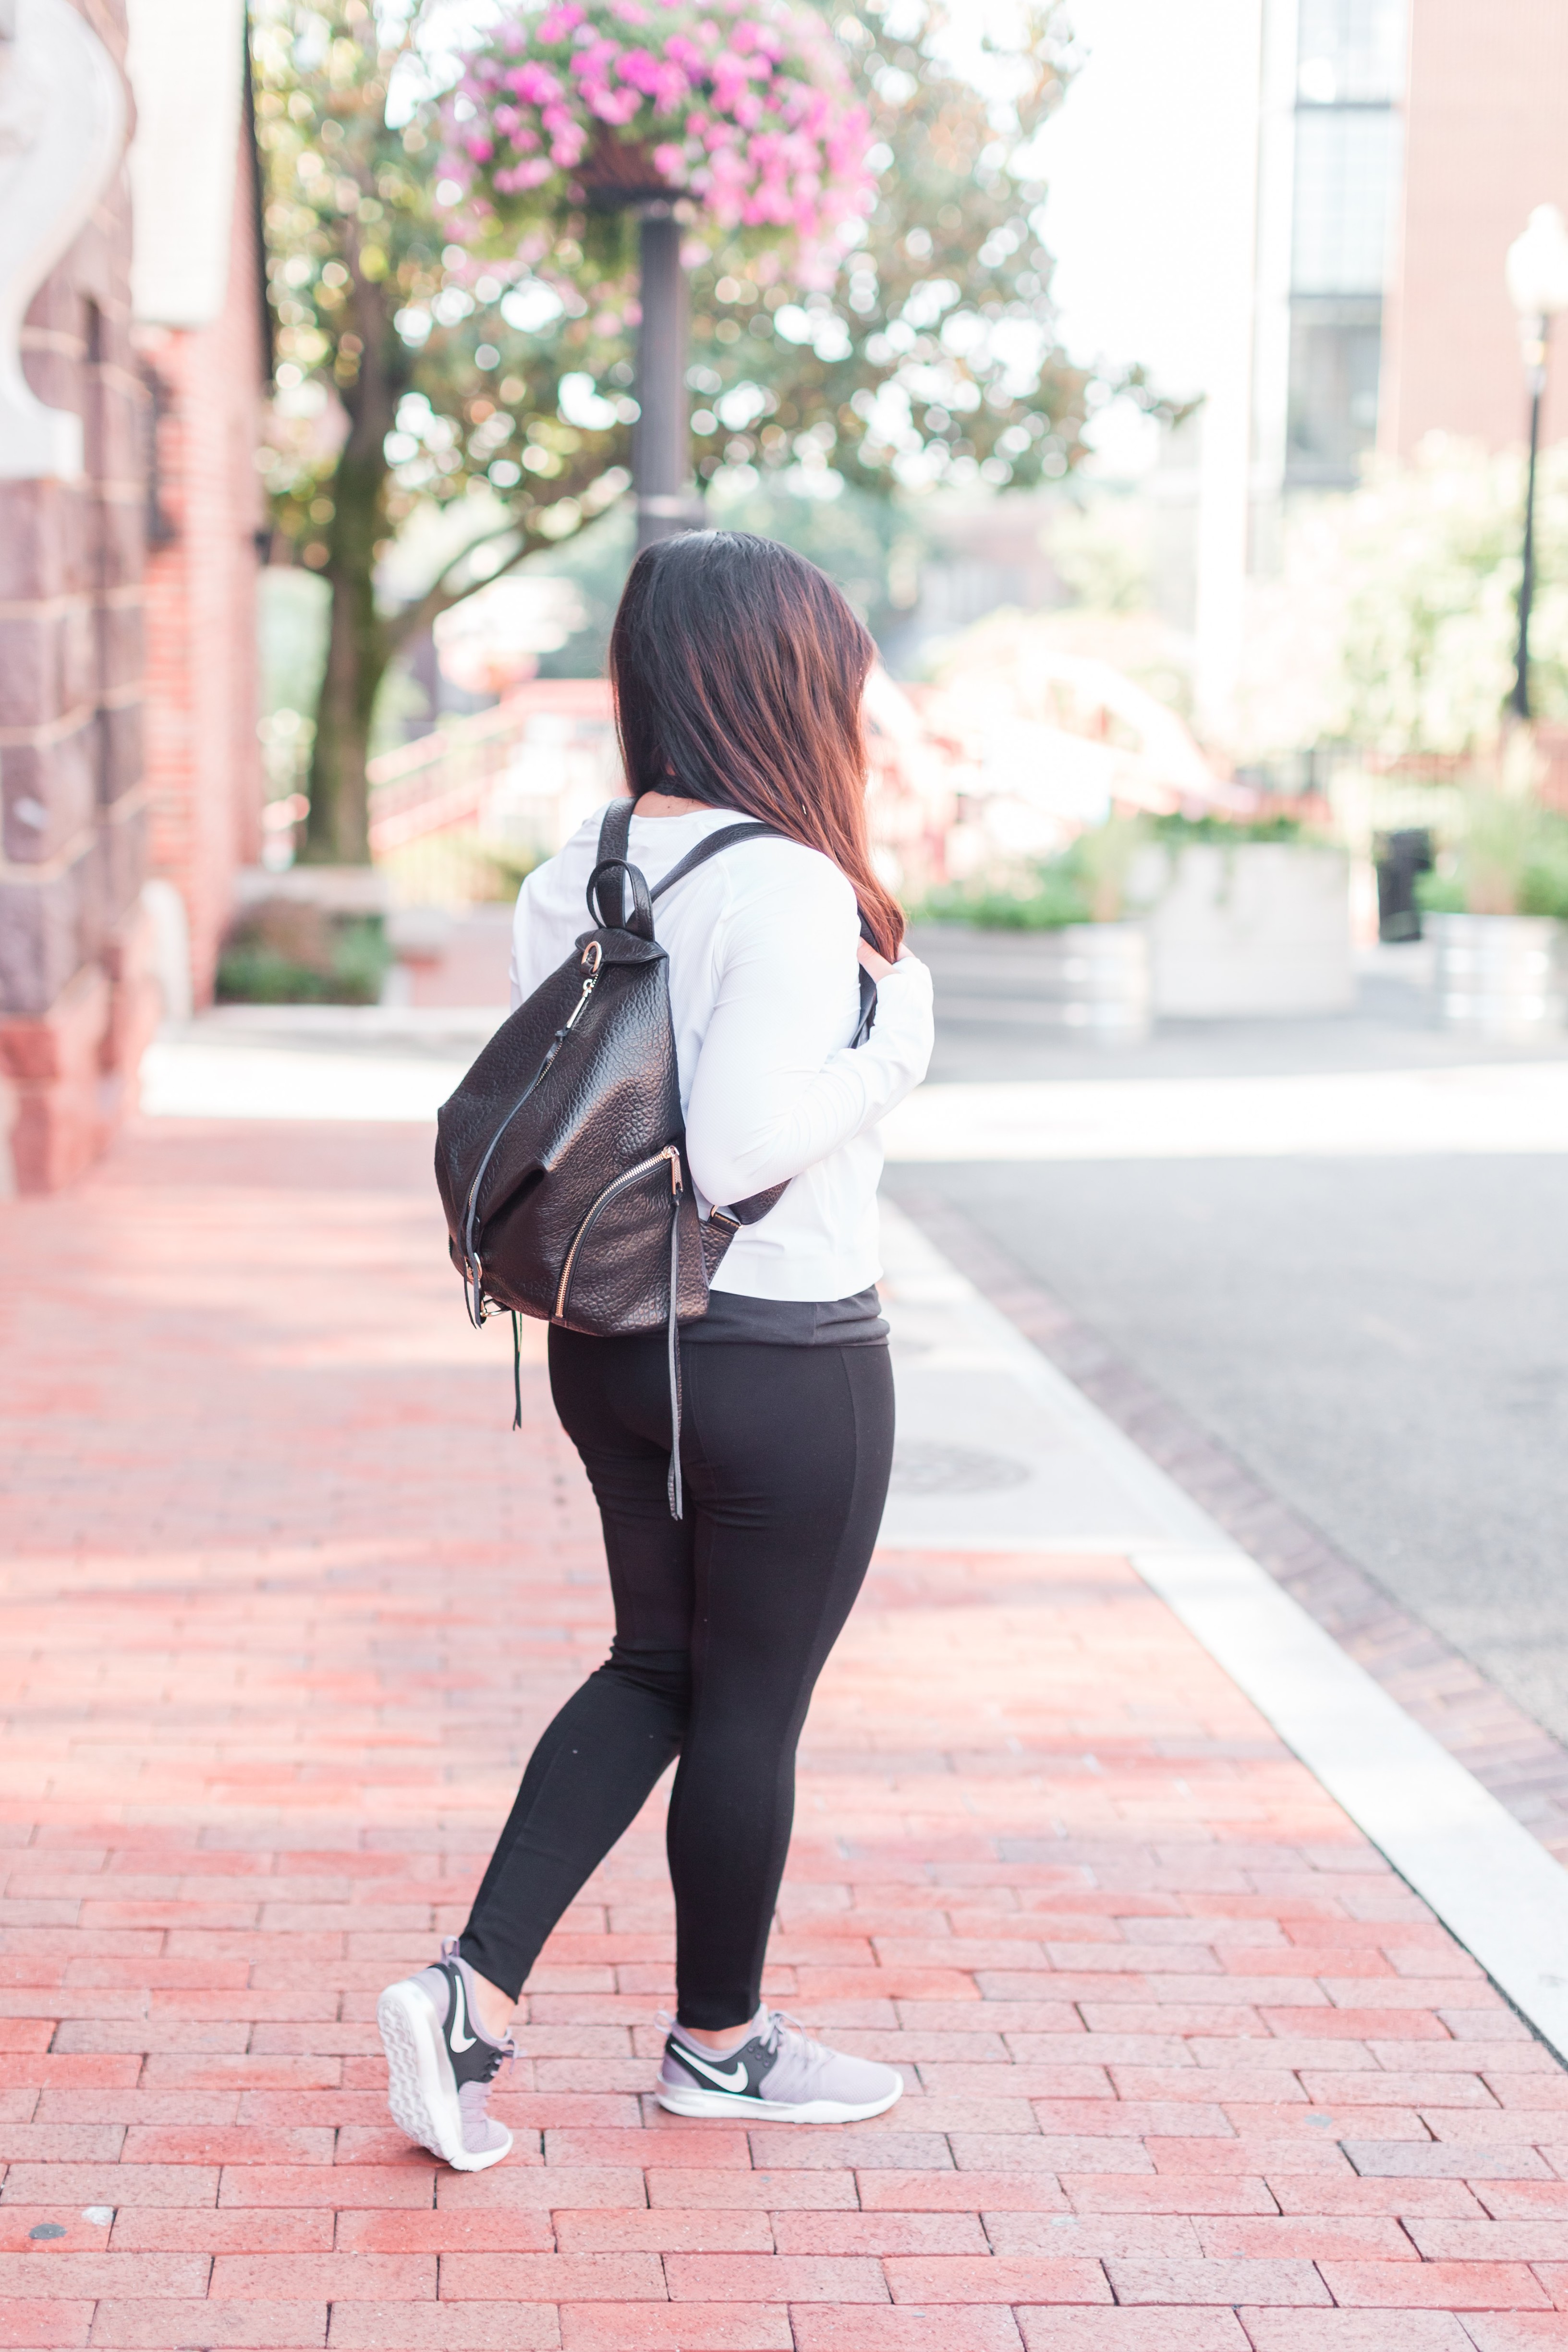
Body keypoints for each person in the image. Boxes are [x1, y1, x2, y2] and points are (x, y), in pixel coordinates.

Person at [377, 531, 935, 2171]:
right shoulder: (785, 880)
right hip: (776, 1357)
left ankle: (469, 1993)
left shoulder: (585, 863)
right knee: (747, 1698)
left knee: (658, 1667)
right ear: (778, 682)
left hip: (614, 1343)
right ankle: (720, 2048)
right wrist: (895, 1041)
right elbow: (753, 1142)